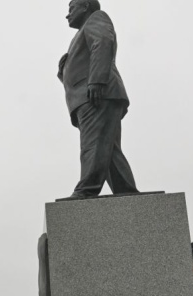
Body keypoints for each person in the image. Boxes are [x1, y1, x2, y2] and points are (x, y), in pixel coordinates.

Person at [58, 0, 138, 200]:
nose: (67, 15)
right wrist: (64, 71)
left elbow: (102, 42)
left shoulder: (96, 19)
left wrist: (97, 80)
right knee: (107, 149)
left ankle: (86, 189)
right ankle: (126, 191)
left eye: (71, 9)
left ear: (85, 6)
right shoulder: (81, 33)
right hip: (90, 96)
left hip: (96, 94)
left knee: (93, 144)